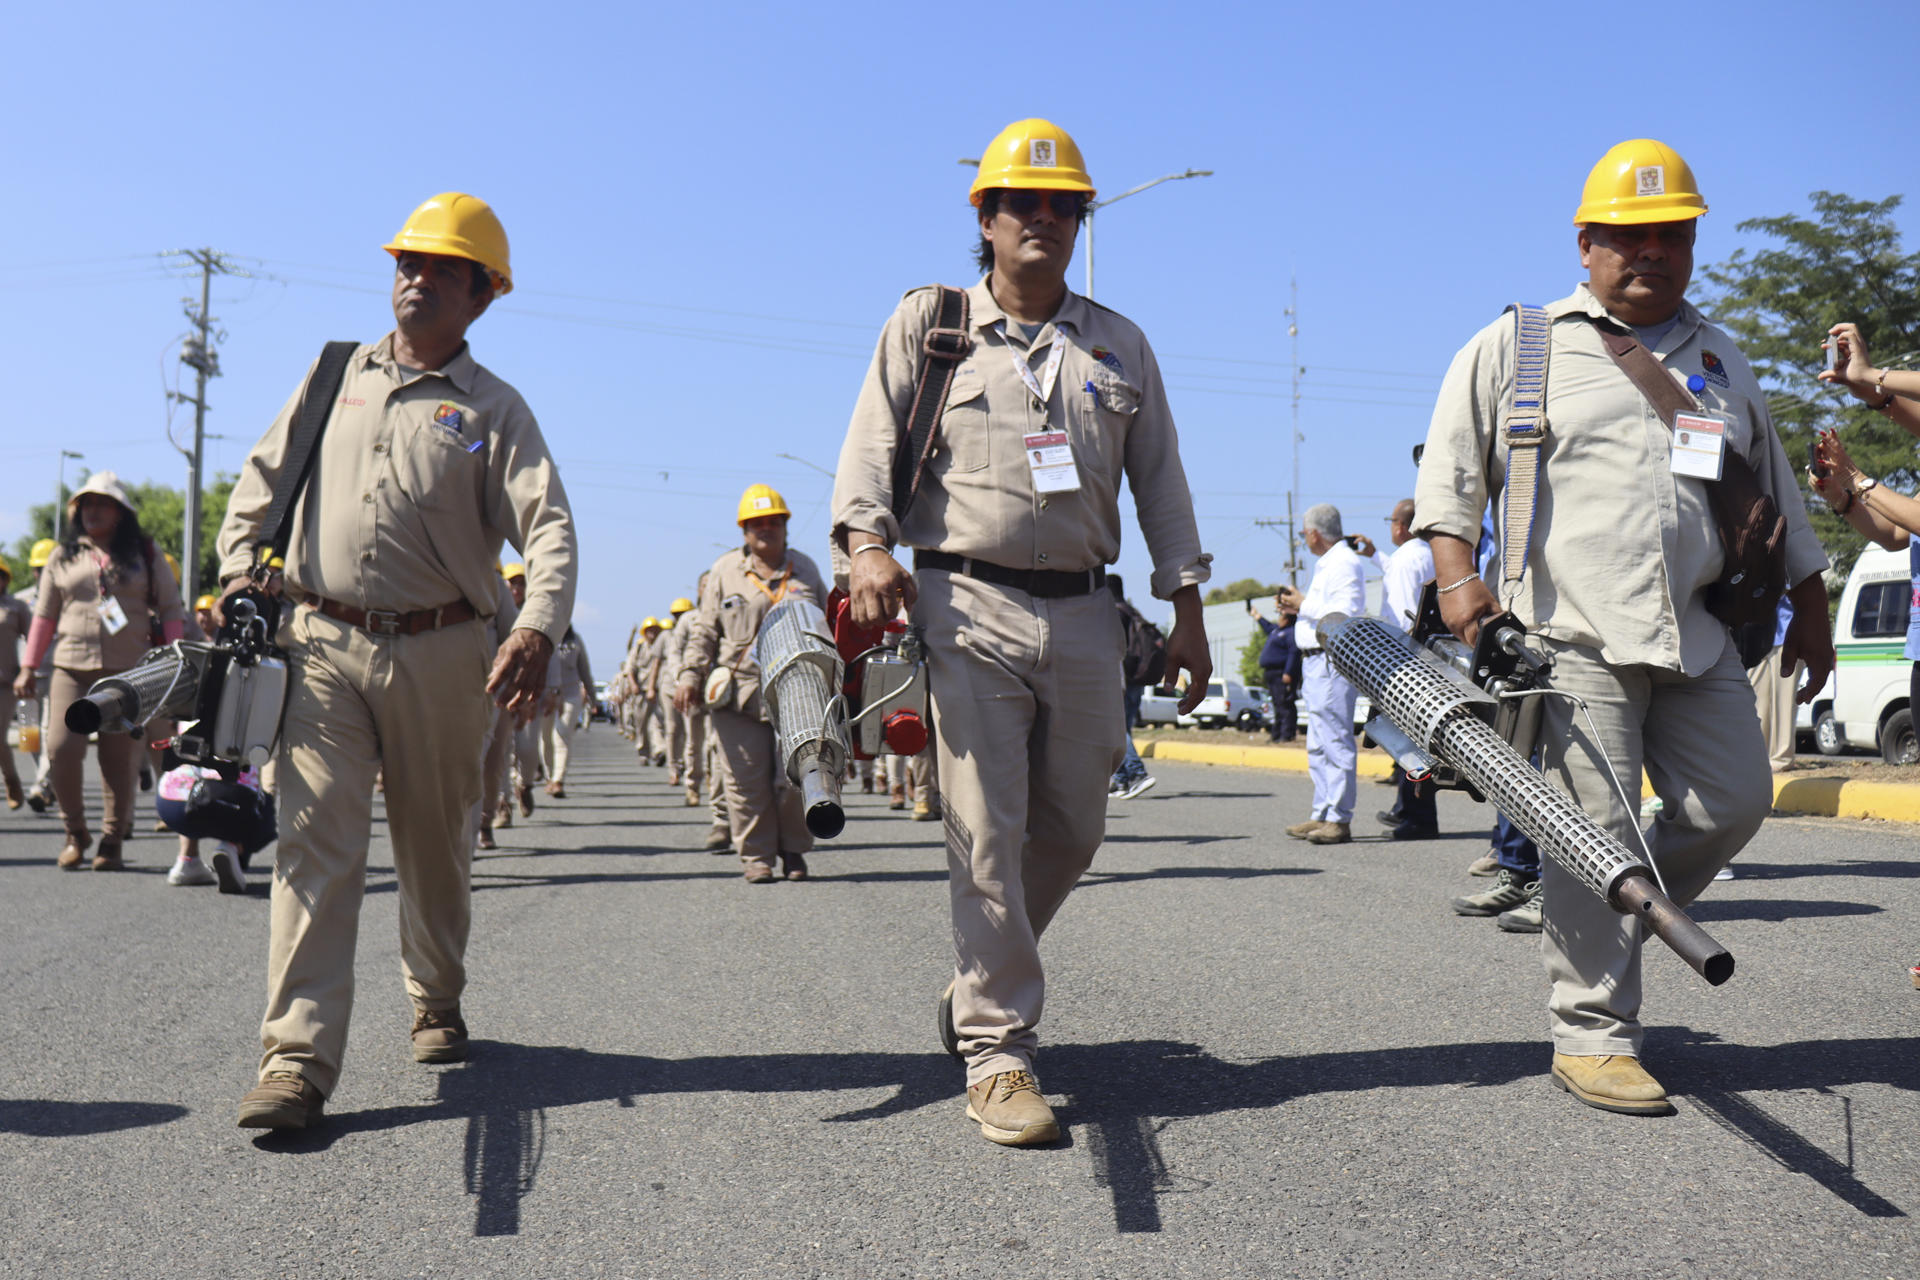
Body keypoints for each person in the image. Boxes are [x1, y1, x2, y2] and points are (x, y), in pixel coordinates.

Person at [1415, 140, 1832, 1116]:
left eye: (1670, 236)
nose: (1650, 252)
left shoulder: (1723, 358)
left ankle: (1603, 903)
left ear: (1691, 242)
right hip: (1570, 636)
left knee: (1734, 799)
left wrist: (1810, 605)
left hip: (1696, 630)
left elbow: (1776, 496)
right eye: (1629, 237)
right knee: (1590, 831)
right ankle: (1593, 1035)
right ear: (1587, 240)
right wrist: (1456, 579)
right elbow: (1449, 476)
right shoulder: (1521, 342)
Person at [831, 118, 1212, 1146]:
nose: (1044, 220)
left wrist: (1186, 609)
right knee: (988, 828)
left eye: (1063, 208)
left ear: (1080, 222)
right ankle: (1000, 1051)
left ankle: (974, 986)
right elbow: (870, 440)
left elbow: (1163, 481)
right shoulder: (933, 324)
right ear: (985, 220)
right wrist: (869, 546)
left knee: (1074, 826)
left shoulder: (1117, 342)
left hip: (1090, 612)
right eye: (1023, 207)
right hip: (964, 602)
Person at [214, 192, 577, 1131]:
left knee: (435, 846)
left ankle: (437, 992)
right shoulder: (335, 375)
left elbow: (550, 531)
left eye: (439, 268)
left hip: (445, 650)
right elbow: (262, 481)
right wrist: (234, 573)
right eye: (406, 263)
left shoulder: (494, 408)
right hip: (319, 643)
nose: (415, 279)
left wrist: (534, 627)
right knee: (314, 848)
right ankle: (295, 1061)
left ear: (481, 295)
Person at [15, 472, 186, 870]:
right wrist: (27, 666)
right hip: (70, 668)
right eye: (86, 504)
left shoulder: (145, 553)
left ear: (121, 512)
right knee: (59, 748)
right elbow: (43, 616)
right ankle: (75, 833)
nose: (92, 510)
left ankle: (112, 841)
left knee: (118, 758)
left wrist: (175, 660)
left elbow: (171, 608)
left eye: (103, 503)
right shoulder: (63, 555)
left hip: (128, 675)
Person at [673, 484, 827, 883]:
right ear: (744, 531)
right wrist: (690, 676)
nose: (766, 529)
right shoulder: (724, 571)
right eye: (756, 524)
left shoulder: (806, 569)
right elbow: (704, 631)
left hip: (798, 690)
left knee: (795, 778)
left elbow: (830, 628)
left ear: (784, 526)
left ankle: (794, 851)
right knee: (745, 784)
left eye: (773, 522)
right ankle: (757, 857)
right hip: (737, 695)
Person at [1276, 504, 1372, 846]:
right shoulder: (1329, 563)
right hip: (1315, 661)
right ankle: (1322, 811)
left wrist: (1302, 604)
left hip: (1331, 660)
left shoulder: (1344, 562)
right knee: (1317, 741)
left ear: (1314, 533)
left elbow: (1344, 614)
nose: (1304, 539)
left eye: (1304, 534)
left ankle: (1339, 818)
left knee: (1334, 739)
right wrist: (1297, 607)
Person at [1376, 498, 1440, 839]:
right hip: (1431, 659)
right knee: (1417, 741)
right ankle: (1407, 809)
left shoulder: (1404, 559)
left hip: (1405, 661)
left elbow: (1401, 618)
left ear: (1400, 526)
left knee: (1407, 744)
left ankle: (1417, 818)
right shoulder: (1429, 553)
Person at [1107, 574, 1158, 799]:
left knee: (1117, 729)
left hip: (1122, 679)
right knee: (1122, 728)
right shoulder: (1132, 611)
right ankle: (1121, 780)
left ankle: (1138, 774)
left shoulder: (1115, 613)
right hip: (1137, 678)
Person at [540, 626, 593, 798]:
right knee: (545, 738)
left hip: (570, 694)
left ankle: (558, 780)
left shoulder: (575, 641)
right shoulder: (542, 637)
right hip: (546, 695)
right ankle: (549, 776)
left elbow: (584, 669)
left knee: (561, 735)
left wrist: (592, 696)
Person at [1247, 597, 1301, 742]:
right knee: (1277, 704)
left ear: (1287, 619)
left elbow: (1294, 653)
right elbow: (1266, 626)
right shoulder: (1277, 631)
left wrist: (1288, 672)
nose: (1279, 618)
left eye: (1281, 615)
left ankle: (1286, 735)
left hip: (1281, 673)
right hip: (1271, 673)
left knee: (1285, 704)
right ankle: (1277, 734)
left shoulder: (1290, 632)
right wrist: (1256, 615)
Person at [0, 556, 31, 809]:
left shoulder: (17, 607)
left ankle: (11, 780)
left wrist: (29, 671)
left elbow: (34, 639)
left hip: (6, 683)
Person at [662, 596, 696, 792]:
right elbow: (660, 661)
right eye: (677, 614)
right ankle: (673, 769)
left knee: (692, 734)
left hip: (693, 689)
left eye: (682, 613)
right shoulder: (666, 636)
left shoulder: (699, 625)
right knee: (673, 730)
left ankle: (694, 771)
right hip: (670, 687)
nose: (680, 617)